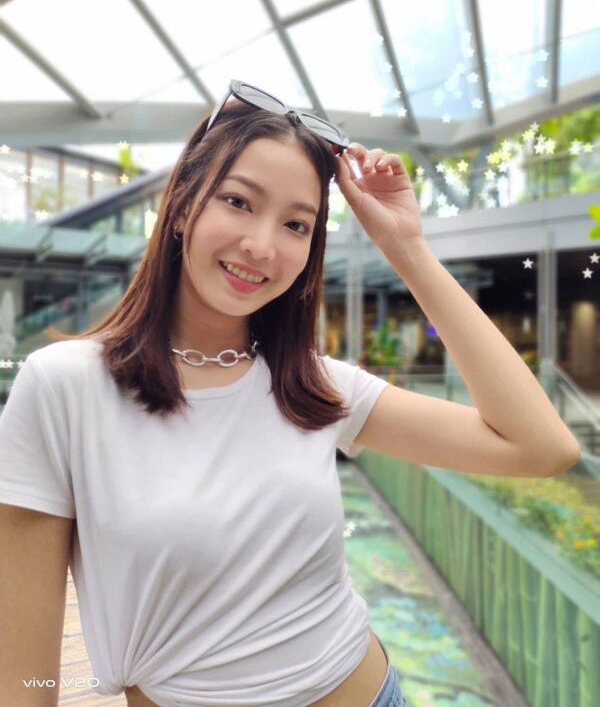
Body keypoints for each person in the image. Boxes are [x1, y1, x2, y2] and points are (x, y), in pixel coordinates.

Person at [0, 79, 579, 707]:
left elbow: (541, 447)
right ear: (184, 203)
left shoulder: (312, 386)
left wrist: (407, 248)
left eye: (296, 224)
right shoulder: (64, 386)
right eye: (238, 201)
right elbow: (24, 680)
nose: (261, 245)